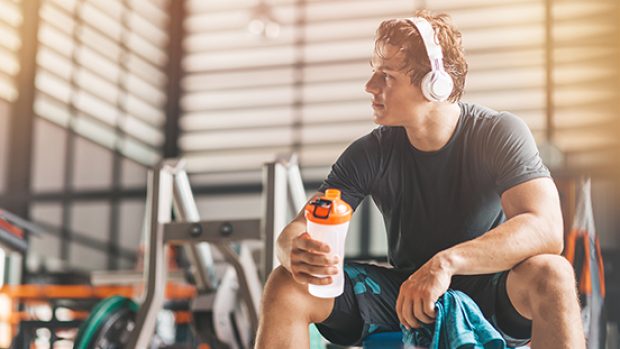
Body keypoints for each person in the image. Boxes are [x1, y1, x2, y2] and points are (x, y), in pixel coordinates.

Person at [255, 9, 585, 349]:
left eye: (386, 76)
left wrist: (445, 263)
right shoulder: (371, 152)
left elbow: (546, 229)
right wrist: (291, 249)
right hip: (406, 295)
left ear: (435, 84)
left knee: (553, 273)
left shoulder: (498, 132)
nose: (370, 87)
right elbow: (299, 228)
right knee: (286, 284)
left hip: (492, 290)